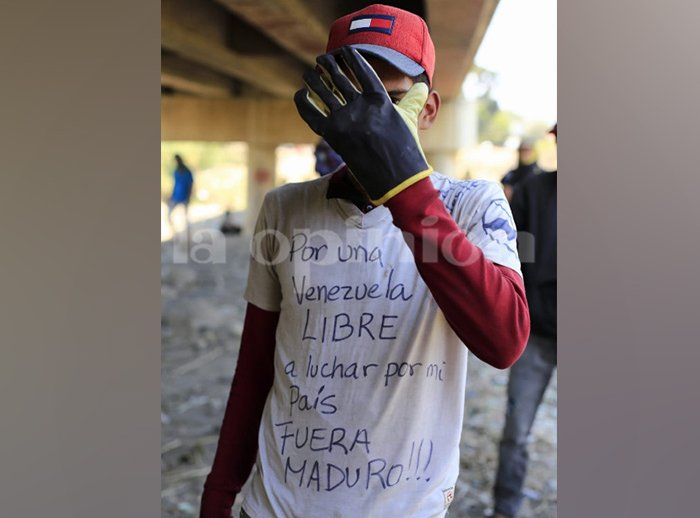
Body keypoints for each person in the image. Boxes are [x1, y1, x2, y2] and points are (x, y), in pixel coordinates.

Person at [200, 5, 530, 517]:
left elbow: (504, 339)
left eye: (391, 101)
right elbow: (255, 367)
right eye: (351, 101)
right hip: (276, 505)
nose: (367, 124)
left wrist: (405, 190)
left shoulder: (473, 206)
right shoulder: (284, 208)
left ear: (429, 109)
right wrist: (220, 493)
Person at [491, 124, 557, 518]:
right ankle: (504, 508)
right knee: (516, 431)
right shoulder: (532, 191)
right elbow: (508, 256)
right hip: (535, 336)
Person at [168, 154, 194, 240]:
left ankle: (188, 237)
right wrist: (171, 195)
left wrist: (189, 196)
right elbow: (175, 185)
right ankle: (175, 235)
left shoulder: (187, 172)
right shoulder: (176, 172)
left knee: (186, 218)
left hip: (184, 197)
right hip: (176, 197)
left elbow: (191, 185)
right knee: (170, 216)